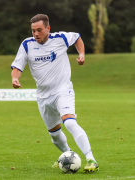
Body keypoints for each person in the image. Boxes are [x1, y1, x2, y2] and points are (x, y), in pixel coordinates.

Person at [11, 14, 99, 172]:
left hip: (62, 90)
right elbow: (17, 67)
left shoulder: (61, 38)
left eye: (39, 30)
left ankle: (91, 159)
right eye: (33, 31)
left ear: (48, 28)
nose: (36, 34)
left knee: (70, 122)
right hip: (43, 96)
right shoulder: (27, 45)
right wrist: (15, 79)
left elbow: (77, 38)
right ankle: (67, 156)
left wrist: (82, 54)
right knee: (55, 134)